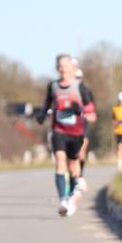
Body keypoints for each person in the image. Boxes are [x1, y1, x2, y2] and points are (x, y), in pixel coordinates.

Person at [37, 54, 96, 216]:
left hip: (76, 133)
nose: (63, 69)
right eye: (60, 66)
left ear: (72, 68)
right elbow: (46, 105)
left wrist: (81, 111)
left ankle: (72, 196)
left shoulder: (81, 88)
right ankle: (63, 199)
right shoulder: (53, 86)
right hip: (59, 131)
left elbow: (92, 115)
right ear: (57, 68)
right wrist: (41, 115)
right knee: (60, 162)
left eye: (66, 66)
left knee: (72, 167)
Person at [74, 64, 90, 193]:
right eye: (75, 77)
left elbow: (91, 106)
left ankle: (80, 176)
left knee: (82, 151)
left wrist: (88, 112)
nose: (77, 79)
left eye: (79, 77)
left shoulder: (85, 90)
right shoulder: (68, 89)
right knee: (73, 153)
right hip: (69, 126)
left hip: (83, 124)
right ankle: (75, 176)